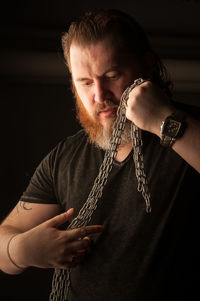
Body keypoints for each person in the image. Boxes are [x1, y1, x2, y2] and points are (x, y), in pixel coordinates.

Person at [0, 9, 200, 301]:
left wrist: (164, 122)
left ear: (147, 65)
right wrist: (20, 250)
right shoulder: (64, 158)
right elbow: (7, 238)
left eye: (112, 75)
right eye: (85, 82)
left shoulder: (191, 130)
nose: (100, 94)